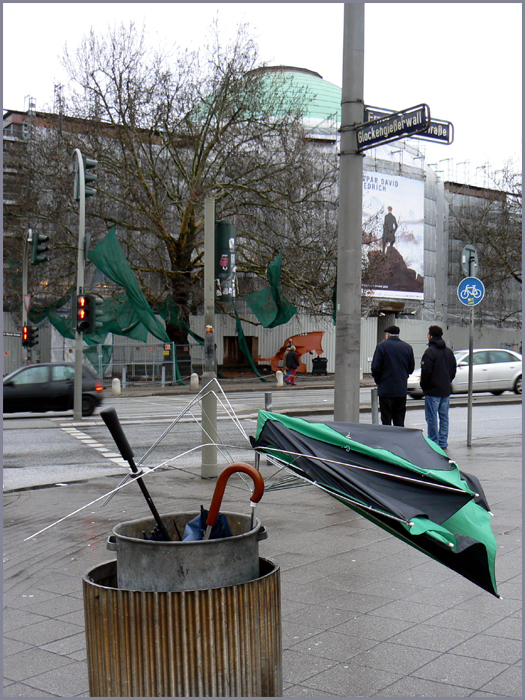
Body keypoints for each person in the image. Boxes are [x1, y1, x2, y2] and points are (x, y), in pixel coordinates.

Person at [420, 325, 457, 451]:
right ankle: (443, 442)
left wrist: (424, 385)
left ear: (431, 336)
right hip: (445, 390)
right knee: (444, 417)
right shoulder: (448, 352)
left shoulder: (430, 352)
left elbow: (426, 372)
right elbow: (453, 370)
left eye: (428, 334)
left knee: (431, 417)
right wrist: (447, 381)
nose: (427, 336)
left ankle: (433, 442)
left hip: (432, 390)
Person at [371, 325, 415, 426]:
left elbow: (375, 367)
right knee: (399, 418)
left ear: (387, 335)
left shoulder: (381, 347)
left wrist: (379, 380)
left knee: (386, 419)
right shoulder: (407, 348)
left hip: (386, 389)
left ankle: (388, 440)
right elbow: (411, 368)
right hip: (401, 389)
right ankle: (399, 440)